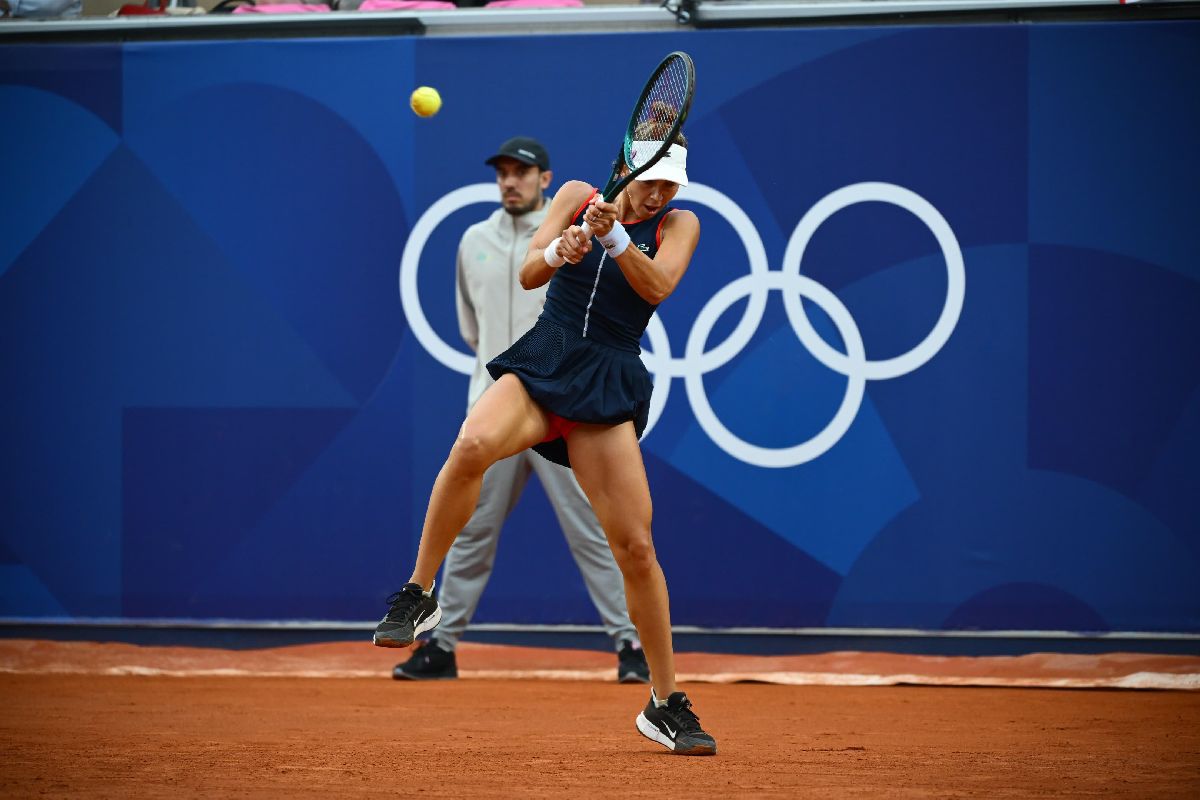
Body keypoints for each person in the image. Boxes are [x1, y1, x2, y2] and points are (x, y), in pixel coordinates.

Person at [375, 122, 717, 756]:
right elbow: (532, 274)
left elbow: (659, 286)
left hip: (607, 375)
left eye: (672, 184)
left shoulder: (681, 225)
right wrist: (565, 247)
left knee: (635, 547)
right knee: (472, 445)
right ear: (627, 167)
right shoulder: (576, 195)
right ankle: (419, 593)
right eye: (653, 181)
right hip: (546, 354)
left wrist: (615, 237)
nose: (660, 194)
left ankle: (665, 703)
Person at [393, 136, 649, 685]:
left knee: (595, 530)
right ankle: (440, 643)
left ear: (545, 179)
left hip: (566, 400)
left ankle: (629, 643)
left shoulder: (571, 227)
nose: (511, 180)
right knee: (470, 530)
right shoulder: (472, 240)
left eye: (522, 172)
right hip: (501, 405)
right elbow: (471, 328)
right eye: (504, 172)